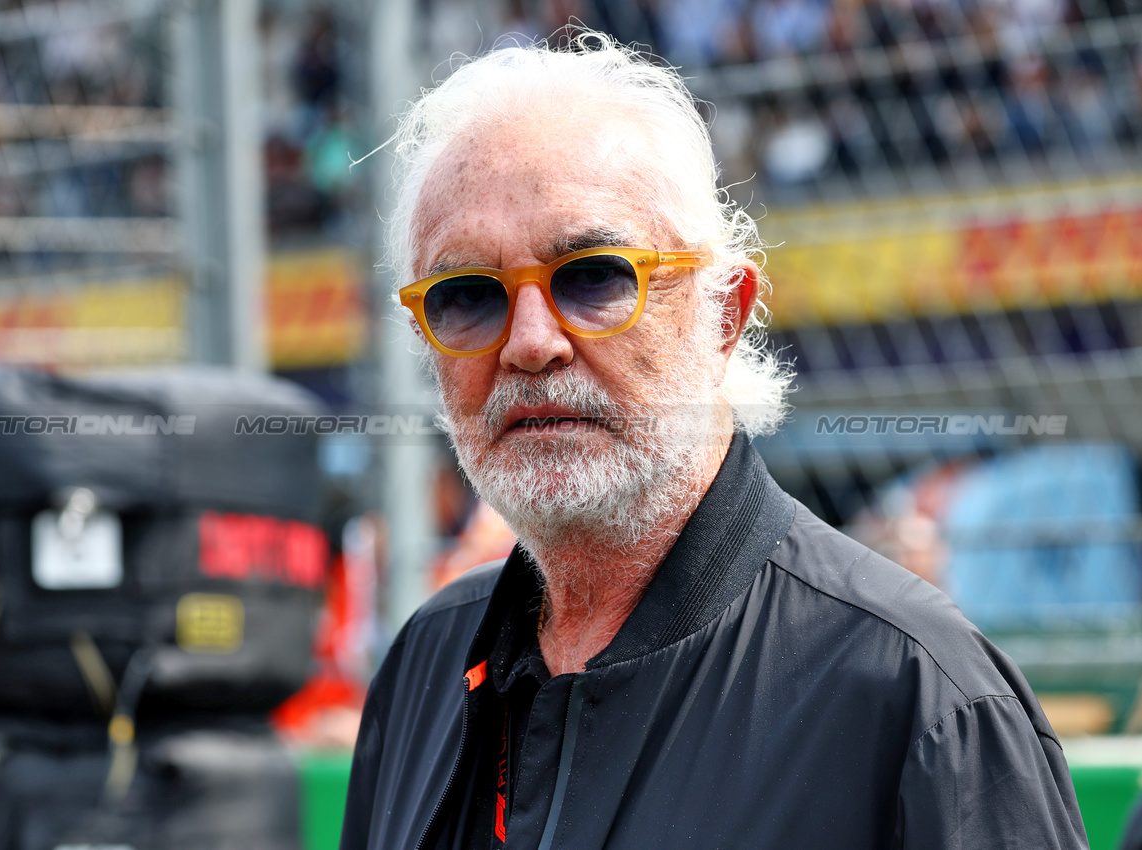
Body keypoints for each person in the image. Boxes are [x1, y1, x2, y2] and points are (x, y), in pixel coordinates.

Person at [342, 32, 1088, 850]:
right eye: (465, 296)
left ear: (723, 316)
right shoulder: (424, 664)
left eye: (593, 276)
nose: (528, 343)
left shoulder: (915, 695)